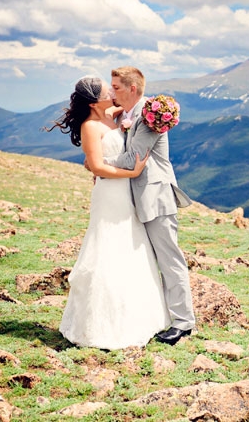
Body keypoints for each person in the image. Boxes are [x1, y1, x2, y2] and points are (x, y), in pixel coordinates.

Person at [48, 76, 171, 350]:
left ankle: (140, 318)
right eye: (108, 91)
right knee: (108, 247)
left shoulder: (114, 115)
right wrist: (133, 171)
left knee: (132, 246)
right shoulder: (90, 126)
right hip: (109, 194)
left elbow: (133, 110)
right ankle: (100, 326)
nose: (113, 93)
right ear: (94, 102)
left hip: (126, 194)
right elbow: (97, 167)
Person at [104, 66, 195, 345]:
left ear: (133, 89)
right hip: (138, 199)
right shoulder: (131, 114)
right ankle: (158, 316)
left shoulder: (149, 115)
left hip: (156, 198)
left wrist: (102, 164)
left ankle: (183, 323)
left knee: (169, 260)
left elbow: (134, 157)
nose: (112, 92)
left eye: (117, 87)